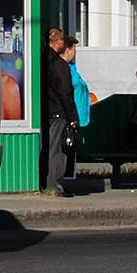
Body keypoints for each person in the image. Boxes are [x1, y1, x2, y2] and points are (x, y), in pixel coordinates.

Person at [43, 29, 78, 196]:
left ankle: (47, 183)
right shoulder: (59, 65)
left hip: (47, 111)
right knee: (58, 151)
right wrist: (71, 116)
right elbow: (65, 92)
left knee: (49, 148)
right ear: (58, 43)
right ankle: (55, 185)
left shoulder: (43, 58)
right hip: (58, 112)